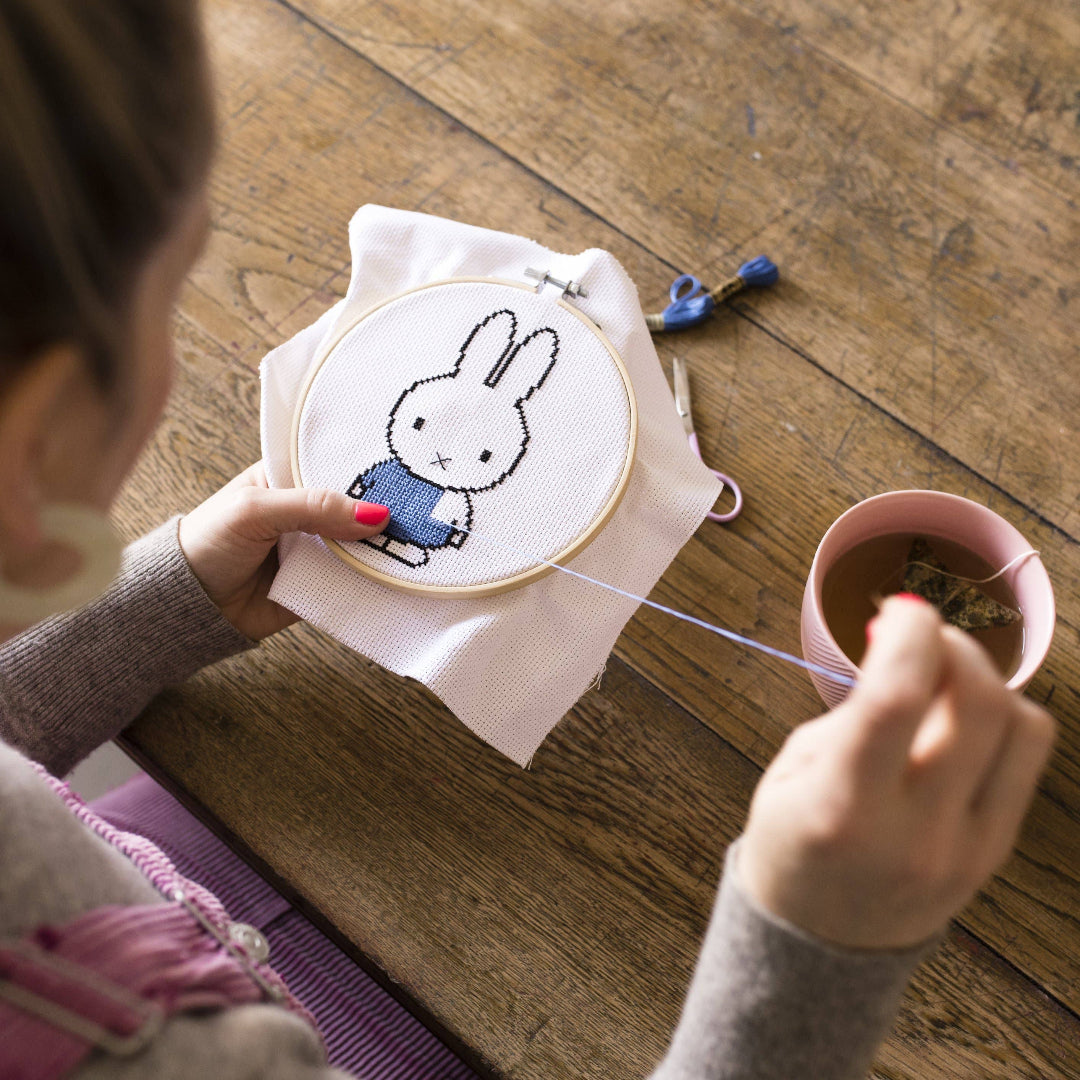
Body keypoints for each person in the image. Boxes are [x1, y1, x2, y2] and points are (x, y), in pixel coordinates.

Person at [0, 2, 1055, 1077]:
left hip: (153, 875)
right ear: (50, 413)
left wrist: (154, 611)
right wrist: (813, 947)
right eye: (167, 292)